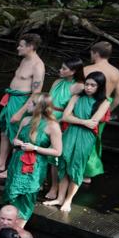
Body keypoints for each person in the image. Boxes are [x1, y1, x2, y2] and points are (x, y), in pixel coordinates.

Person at [45, 71, 110, 213]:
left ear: (100, 86)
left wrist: (76, 119)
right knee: (63, 163)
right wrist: (83, 121)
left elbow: (93, 123)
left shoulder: (104, 102)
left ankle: (68, 200)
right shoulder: (76, 97)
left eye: (93, 85)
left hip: (86, 137)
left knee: (77, 166)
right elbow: (66, 117)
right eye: (87, 84)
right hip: (70, 133)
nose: (88, 88)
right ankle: (60, 198)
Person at [0, 34, 45, 174]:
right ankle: (0, 163)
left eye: (21, 46)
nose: (18, 48)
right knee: (5, 132)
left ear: (30, 47)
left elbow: (36, 93)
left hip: (22, 102)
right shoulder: (24, 60)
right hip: (12, 98)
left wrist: (20, 112)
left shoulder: (38, 65)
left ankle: (11, 169)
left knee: (16, 135)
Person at [4, 94, 63, 224]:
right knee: (12, 191)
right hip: (17, 162)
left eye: (31, 103)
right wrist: (16, 142)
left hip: (35, 165)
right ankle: (9, 223)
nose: (28, 105)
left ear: (39, 107)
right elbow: (15, 140)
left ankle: (19, 226)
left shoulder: (52, 126)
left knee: (27, 195)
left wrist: (34, 148)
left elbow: (57, 151)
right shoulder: (26, 120)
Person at [44, 58, 85, 199]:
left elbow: (75, 109)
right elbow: (48, 100)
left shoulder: (79, 86)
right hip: (47, 115)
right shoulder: (57, 82)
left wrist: (59, 120)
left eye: (64, 69)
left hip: (62, 120)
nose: (60, 70)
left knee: (54, 156)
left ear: (73, 71)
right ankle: (41, 180)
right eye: (61, 67)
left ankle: (54, 187)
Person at [82, 41, 119, 180]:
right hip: (103, 108)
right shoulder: (116, 72)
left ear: (96, 53)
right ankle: (88, 174)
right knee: (94, 139)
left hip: (85, 106)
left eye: (91, 53)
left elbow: (77, 89)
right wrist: (108, 110)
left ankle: (75, 169)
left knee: (79, 136)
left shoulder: (87, 69)